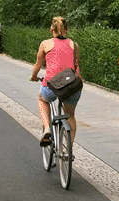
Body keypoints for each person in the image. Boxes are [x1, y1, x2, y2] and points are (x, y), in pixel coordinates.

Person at [29, 16, 83, 146]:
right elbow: (76, 66)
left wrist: (34, 76)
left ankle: (47, 128)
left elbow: (38, 64)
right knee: (70, 115)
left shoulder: (45, 44)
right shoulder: (75, 45)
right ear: (67, 30)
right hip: (72, 87)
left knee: (42, 99)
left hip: (52, 86)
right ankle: (69, 148)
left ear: (51, 30)